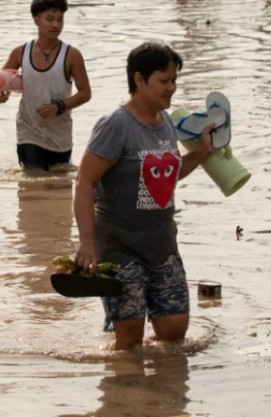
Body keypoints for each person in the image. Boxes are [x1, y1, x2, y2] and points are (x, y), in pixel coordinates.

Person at [72, 42, 215, 350]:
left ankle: (159, 391)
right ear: (139, 80)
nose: (172, 88)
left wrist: (202, 153)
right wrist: (86, 242)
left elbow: (166, 175)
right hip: (121, 249)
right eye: (164, 80)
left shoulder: (165, 121)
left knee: (175, 333)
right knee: (129, 342)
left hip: (163, 245)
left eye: (174, 80)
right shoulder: (115, 125)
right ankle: (126, 394)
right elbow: (84, 181)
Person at [0, 0, 92, 172]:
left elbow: (86, 93)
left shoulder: (72, 55)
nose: (56, 25)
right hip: (28, 132)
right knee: (34, 182)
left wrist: (59, 107)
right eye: (50, 19)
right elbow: (2, 82)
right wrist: (1, 94)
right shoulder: (20, 53)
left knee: (60, 185)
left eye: (60, 20)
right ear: (36, 20)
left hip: (60, 134)